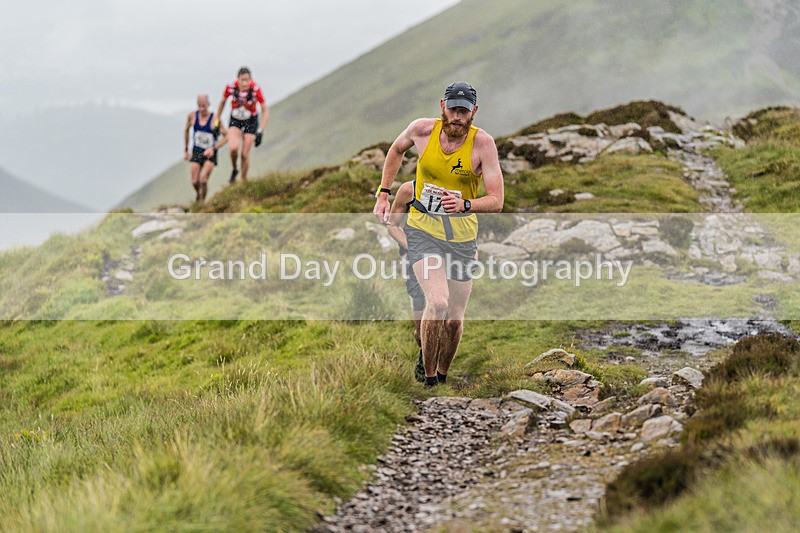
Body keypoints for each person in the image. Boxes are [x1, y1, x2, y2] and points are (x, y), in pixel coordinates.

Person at [373, 82, 504, 387]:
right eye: (453, 109)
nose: (457, 116)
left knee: (455, 317)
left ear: (474, 112)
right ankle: (429, 381)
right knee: (439, 304)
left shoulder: (483, 144)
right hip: (423, 233)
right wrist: (383, 193)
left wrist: (465, 204)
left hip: (461, 238)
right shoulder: (421, 130)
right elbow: (395, 151)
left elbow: (497, 201)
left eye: (464, 111)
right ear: (442, 105)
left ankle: (442, 375)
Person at [386, 180, 426, 382]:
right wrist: (412, 247)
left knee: (443, 311)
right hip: (414, 259)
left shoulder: (455, 184)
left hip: (448, 255)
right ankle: (423, 350)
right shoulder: (409, 189)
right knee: (421, 330)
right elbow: (392, 226)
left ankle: (434, 369)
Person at [216, 66, 269, 183]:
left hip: (251, 120)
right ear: (237, 79)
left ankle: (243, 180)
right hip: (235, 118)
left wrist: (261, 131)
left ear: (251, 79)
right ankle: (235, 169)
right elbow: (222, 103)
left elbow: (265, 110)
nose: (245, 83)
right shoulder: (230, 87)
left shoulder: (255, 89)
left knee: (245, 154)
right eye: (242, 80)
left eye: (247, 80)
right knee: (233, 148)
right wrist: (216, 121)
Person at [184, 94, 228, 202]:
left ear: (208, 104)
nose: (201, 109)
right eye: (199, 106)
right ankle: (199, 195)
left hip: (210, 153)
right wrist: (185, 149)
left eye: (203, 106)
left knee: (203, 179)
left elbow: (227, 136)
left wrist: (213, 148)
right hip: (197, 151)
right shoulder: (192, 116)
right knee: (195, 181)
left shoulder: (215, 119)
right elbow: (186, 130)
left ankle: (201, 202)